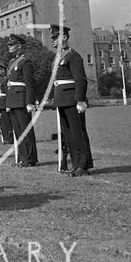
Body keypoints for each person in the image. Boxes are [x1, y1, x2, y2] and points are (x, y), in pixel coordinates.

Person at [50, 25, 92, 177]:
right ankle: (75, 164)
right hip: (61, 99)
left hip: (72, 99)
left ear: (65, 37)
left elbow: (80, 80)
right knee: (68, 134)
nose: (53, 40)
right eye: (52, 38)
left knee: (77, 133)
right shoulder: (58, 58)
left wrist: (80, 100)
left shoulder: (73, 56)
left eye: (56, 37)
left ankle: (83, 164)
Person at [6, 34, 38, 167]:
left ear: (19, 46)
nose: (9, 47)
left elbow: (30, 83)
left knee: (25, 129)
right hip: (13, 99)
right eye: (9, 45)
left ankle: (30, 158)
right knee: (18, 131)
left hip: (21, 98)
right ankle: (22, 156)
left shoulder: (25, 62)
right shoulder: (10, 62)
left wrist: (30, 101)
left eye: (12, 44)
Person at [0, 60, 14, 145]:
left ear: (3, 70)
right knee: (2, 123)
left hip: (4, 103)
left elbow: (7, 93)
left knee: (7, 123)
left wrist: (8, 104)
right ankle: (5, 138)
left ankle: (9, 138)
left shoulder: (6, 80)